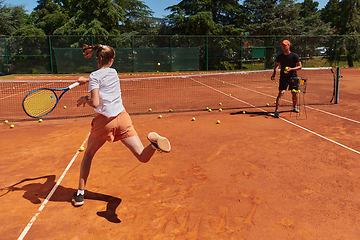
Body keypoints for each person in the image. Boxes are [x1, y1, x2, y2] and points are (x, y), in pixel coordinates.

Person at [72, 44, 171, 207]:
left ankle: (80, 194)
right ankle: (153, 145)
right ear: (111, 60)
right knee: (141, 156)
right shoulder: (113, 72)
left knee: (88, 154)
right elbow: (101, 76)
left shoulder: (95, 76)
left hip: (105, 122)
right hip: (123, 118)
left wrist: (85, 99)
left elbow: (96, 102)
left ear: (97, 59)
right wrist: (87, 80)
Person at [271, 40, 302, 118]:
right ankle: (276, 110)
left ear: (289, 46)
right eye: (282, 46)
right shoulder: (280, 56)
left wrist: (291, 69)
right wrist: (274, 73)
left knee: (294, 92)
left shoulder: (294, 56)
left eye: (285, 45)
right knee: (281, 93)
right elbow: (276, 65)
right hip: (283, 77)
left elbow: (300, 66)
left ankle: (295, 106)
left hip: (293, 77)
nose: (283, 47)